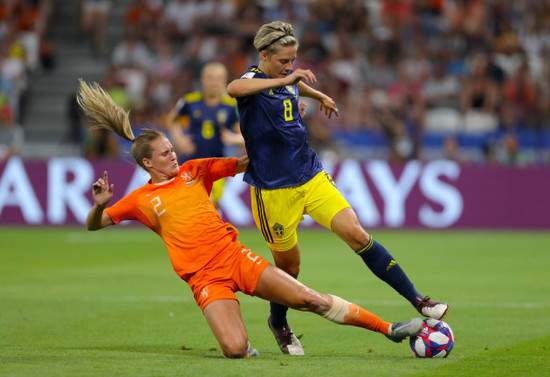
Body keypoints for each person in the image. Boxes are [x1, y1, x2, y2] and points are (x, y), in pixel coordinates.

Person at [77, 79, 423, 358]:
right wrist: (98, 205)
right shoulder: (139, 200)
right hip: (204, 280)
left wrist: (287, 125)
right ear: (148, 164)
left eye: (172, 148)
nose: (174, 154)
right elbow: (96, 224)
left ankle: (388, 329)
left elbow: (245, 161)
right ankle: (246, 347)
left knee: (309, 299)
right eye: (166, 153)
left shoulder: (194, 171)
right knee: (234, 349)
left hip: (235, 258)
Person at [226, 21, 449, 355]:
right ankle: (279, 323)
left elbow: (290, 88)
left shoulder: (284, 79)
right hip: (272, 190)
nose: (290, 66)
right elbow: (234, 89)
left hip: (310, 174)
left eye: (292, 60)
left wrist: (317, 95)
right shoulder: (252, 80)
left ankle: (418, 300)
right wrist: (289, 79)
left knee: (358, 234)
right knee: (289, 269)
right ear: (263, 55)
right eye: (283, 61)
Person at [164, 62, 244, 207]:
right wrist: (179, 139)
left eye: (218, 78)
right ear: (202, 80)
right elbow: (172, 120)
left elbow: (244, 135)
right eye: (210, 78)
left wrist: (233, 138)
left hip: (217, 163)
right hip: (191, 161)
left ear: (224, 81)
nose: (214, 82)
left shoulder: (231, 106)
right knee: (195, 203)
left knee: (208, 202)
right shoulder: (189, 101)